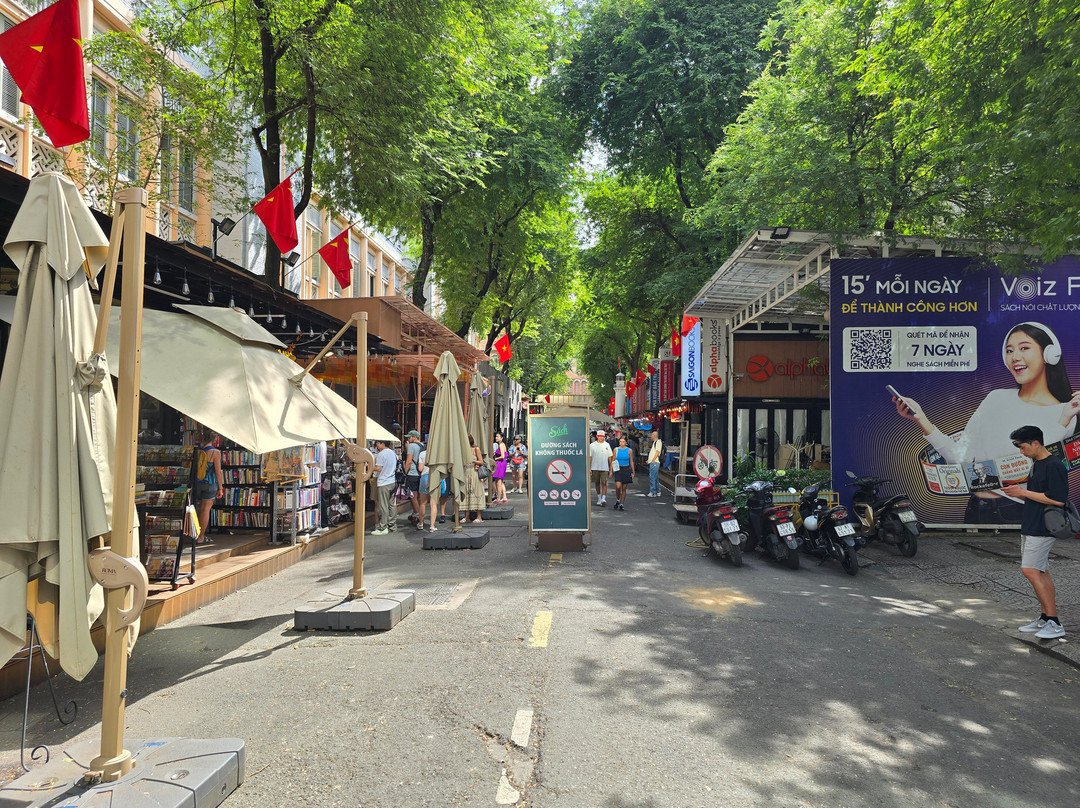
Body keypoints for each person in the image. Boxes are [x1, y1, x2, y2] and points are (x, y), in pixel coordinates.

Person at [895, 322, 1080, 523]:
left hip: (1020, 511)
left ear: (1049, 355)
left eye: (1024, 348)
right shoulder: (995, 398)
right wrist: (921, 418)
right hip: (977, 508)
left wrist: (1064, 419)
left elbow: (1037, 462)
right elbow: (962, 457)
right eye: (1010, 350)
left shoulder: (1065, 413)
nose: (1015, 357)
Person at [1003, 425, 1069, 639]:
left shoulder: (1054, 465)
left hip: (1043, 527)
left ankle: (1055, 623)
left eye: (1022, 447)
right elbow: (1038, 494)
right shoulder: (1037, 464)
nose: (1021, 452)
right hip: (1032, 524)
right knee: (1040, 571)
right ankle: (1045, 618)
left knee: (1030, 570)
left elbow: (1058, 499)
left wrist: (1023, 491)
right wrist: (1019, 493)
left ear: (1036, 443)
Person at [191, 433, 223, 545]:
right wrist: (220, 488)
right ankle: (200, 536)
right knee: (205, 509)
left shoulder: (196, 449)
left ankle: (192, 533)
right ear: (214, 439)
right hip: (210, 483)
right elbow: (218, 472)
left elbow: (185, 464)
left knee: (194, 508)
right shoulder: (215, 452)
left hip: (196, 482)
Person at [371, 437, 399, 535]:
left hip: (384, 482)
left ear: (381, 444)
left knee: (383, 505)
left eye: (377, 444)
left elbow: (378, 468)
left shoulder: (381, 454)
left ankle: (383, 527)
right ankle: (392, 525)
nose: (377, 446)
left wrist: (369, 467)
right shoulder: (393, 453)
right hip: (392, 481)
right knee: (392, 504)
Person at [403, 429, 423, 525]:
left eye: (409, 437)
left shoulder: (411, 446)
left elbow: (409, 461)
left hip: (412, 473)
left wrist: (405, 472)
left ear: (414, 437)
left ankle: (418, 515)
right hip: (421, 473)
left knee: (412, 496)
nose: (408, 439)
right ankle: (417, 514)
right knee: (419, 496)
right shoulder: (423, 445)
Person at [590, 429, 613, 507]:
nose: (601, 438)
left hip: (604, 467)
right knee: (596, 483)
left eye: (602, 436)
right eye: (599, 436)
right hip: (594, 467)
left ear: (604, 437)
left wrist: (610, 469)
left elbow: (610, 457)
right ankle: (599, 498)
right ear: (597, 436)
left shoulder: (607, 445)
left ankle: (603, 498)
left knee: (604, 482)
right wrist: (589, 468)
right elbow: (590, 457)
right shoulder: (592, 445)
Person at [612, 436, 635, 510]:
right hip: (618, 469)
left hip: (626, 468)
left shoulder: (629, 450)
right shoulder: (616, 450)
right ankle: (618, 499)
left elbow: (631, 461)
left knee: (624, 488)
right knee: (618, 486)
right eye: (620, 441)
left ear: (626, 442)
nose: (621, 443)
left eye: (623, 442)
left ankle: (621, 504)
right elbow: (613, 460)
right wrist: (610, 471)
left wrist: (633, 471)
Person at [416, 445, 431, 532]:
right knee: (433, 503)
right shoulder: (436, 453)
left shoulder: (422, 454)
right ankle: (432, 525)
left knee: (423, 503)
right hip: (434, 477)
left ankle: (421, 523)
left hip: (425, 477)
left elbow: (420, 468)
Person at [492, 433, 509, 503]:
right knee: (500, 482)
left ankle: (498, 498)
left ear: (502, 438)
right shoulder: (501, 445)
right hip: (501, 463)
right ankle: (504, 497)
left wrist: (495, 459)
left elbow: (502, 456)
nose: (496, 438)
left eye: (498, 436)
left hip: (500, 463)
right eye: (496, 436)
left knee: (498, 482)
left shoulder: (501, 445)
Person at [646, 431, 663, 497]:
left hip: (655, 462)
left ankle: (652, 491)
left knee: (652, 476)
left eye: (652, 435)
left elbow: (657, 452)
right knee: (655, 477)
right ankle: (657, 491)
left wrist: (652, 460)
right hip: (653, 462)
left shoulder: (658, 442)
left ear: (654, 435)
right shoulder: (655, 442)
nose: (651, 436)